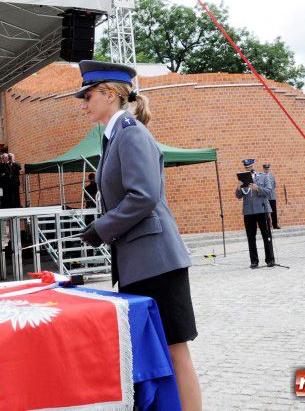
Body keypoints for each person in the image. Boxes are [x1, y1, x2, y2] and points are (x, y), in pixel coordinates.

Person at [73, 60, 201, 411]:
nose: (83, 103)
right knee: (156, 354)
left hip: (157, 262)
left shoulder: (130, 132)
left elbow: (142, 195)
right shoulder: (116, 135)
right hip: (140, 263)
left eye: (87, 95)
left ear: (110, 94)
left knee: (175, 351)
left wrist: (101, 228)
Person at [235, 159, 275, 268]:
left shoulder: (263, 176)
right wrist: (238, 187)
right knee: (251, 238)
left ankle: (270, 259)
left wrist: (258, 188)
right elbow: (238, 196)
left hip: (262, 210)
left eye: (249, 166)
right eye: (246, 167)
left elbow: (269, 191)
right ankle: (254, 261)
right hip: (248, 211)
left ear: (253, 165)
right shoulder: (242, 179)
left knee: (266, 236)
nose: (248, 168)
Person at [262, 163, 280, 228]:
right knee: (266, 211)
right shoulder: (261, 176)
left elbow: (274, 185)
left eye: (268, 169)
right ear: (263, 169)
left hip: (272, 196)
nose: (267, 170)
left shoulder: (272, 176)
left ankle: (275, 225)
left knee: (274, 211)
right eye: (265, 169)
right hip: (265, 197)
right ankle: (267, 225)